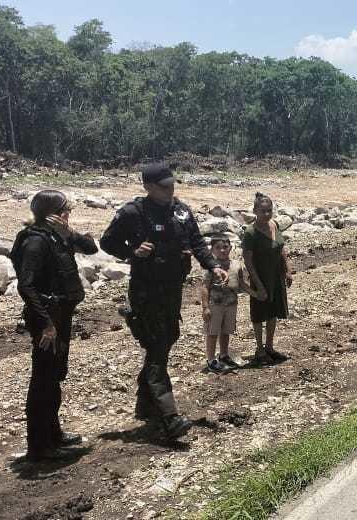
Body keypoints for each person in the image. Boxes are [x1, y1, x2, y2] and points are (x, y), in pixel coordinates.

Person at [101, 163, 227, 439]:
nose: (170, 190)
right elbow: (107, 242)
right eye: (164, 186)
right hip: (146, 290)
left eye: (172, 184)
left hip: (172, 289)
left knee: (167, 339)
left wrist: (212, 266)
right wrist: (133, 251)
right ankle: (168, 417)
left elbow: (196, 242)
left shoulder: (180, 210)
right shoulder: (133, 213)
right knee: (157, 348)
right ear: (148, 187)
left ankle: (145, 404)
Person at [10, 190, 97, 460]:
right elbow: (26, 285)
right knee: (42, 380)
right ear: (53, 213)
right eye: (65, 209)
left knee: (55, 375)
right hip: (47, 318)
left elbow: (92, 248)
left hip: (61, 314)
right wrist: (47, 324)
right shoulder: (35, 242)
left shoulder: (58, 235)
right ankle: (39, 446)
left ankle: (53, 435)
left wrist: (69, 232)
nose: (68, 213)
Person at [240, 193, 293, 366]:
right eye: (263, 211)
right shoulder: (250, 232)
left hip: (276, 274)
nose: (267, 214)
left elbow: (281, 248)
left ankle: (269, 346)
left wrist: (288, 270)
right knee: (259, 313)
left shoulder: (274, 225)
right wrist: (257, 284)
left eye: (269, 210)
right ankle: (259, 349)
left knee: (274, 311)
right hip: (261, 276)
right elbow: (247, 260)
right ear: (255, 211)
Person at [199, 234, 249, 374]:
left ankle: (224, 355)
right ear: (212, 250)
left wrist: (255, 293)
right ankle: (211, 360)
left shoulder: (236, 264)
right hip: (215, 305)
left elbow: (241, 283)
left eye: (225, 247)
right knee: (212, 332)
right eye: (218, 248)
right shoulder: (211, 267)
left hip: (231, 303)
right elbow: (204, 287)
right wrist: (205, 307)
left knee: (226, 331)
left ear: (230, 248)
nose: (222, 250)